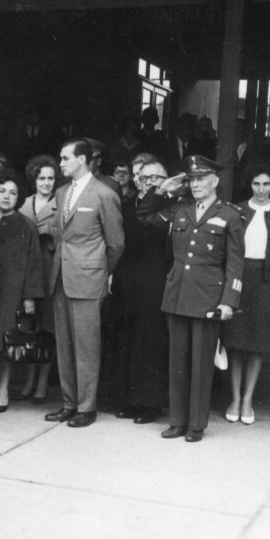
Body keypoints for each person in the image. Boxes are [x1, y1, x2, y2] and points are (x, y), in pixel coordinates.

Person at [138, 154, 245, 442]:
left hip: (208, 298)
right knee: (177, 362)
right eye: (192, 179)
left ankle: (196, 424)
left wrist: (229, 301)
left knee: (200, 365)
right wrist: (162, 189)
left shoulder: (230, 215)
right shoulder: (179, 209)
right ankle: (177, 421)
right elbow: (144, 216)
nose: (195, 184)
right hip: (177, 295)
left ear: (215, 181)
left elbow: (235, 263)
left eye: (201, 179)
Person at [44, 138, 124, 428]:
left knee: (87, 346)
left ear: (82, 159)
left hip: (88, 279)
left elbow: (116, 244)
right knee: (65, 345)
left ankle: (86, 407)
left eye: (65, 158)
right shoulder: (62, 192)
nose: (61, 163)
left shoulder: (104, 194)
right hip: (61, 277)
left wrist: (98, 271)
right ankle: (69, 403)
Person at [220, 163, 270, 425]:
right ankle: (235, 399)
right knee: (236, 342)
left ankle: (248, 400)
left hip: (268, 282)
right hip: (240, 278)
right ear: (249, 184)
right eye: (256, 184)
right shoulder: (237, 210)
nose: (261, 189)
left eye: (266, 184)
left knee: (257, 345)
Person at [108, 154, 170, 425]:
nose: (149, 182)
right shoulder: (126, 206)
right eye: (145, 178)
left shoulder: (172, 207)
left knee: (150, 341)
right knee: (125, 338)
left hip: (157, 280)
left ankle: (148, 404)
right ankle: (125, 400)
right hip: (127, 279)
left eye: (156, 178)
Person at [0, 169, 45, 412]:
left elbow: (34, 263)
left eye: (12, 193)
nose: (6, 196)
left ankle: (3, 388)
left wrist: (29, 296)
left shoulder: (26, 225)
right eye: (2, 191)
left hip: (11, 292)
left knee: (6, 341)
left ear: (19, 197)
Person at [16, 154, 59, 403]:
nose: (46, 183)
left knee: (47, 330)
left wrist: (50, 231)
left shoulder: (61, 203)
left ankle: (42, 381)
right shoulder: (23, 203)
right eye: (42, 178)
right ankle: (29, 380)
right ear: (34, 179)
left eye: (50, 178)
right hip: (26, 274)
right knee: (28, 328)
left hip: (50, 272)